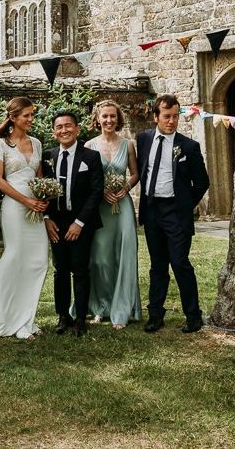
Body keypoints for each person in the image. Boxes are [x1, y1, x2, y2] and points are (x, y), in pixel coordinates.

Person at [136, 94, 209, 334]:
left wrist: (185, 205)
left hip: (176, 213)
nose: (172, 121)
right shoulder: (144, 139)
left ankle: (193, 315)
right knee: (157, 266)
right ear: (156, 116)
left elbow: (201, 183)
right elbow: (144, 170)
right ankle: (155, 314)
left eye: (176, 116)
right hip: (152, 210)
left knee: (179, 263)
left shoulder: (188, 146)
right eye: (167, 117)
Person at [0, 97, 49, 339]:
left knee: (38, 260)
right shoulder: (1, 144)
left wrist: (42, 197)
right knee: (14, 257)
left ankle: (27, 319)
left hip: (36, 208)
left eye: (32, 115)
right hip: (15, 207)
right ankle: (6, 317)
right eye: (27, 115)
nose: (31, 119)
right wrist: (25, 201)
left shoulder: (37, 143)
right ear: (13, 118)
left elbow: (40, 177)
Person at [42, 111, 104, 337]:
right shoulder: (47, 156)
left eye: (68, 126)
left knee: (80, 269)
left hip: (81, 221)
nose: (64, 130)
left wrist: (79, 223)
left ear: (77, 129)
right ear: (54, 131)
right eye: (59, 127)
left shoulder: (91, 157)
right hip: (56, 221)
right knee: (60, 270)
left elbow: (96, 191)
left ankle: (79, 317)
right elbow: (42, 190)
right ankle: (62, 316)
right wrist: (47, 219)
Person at [84, 100, 142, 329]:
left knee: (125, 255)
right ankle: (100, 306)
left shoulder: (128, 144)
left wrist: (124, 189)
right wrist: (102, 192)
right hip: (100, 207)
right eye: (104, 116)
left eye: (113, 116)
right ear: (97, 119)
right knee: (99, 258)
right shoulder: (89, 145)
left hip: (123, 206)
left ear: (118, 119)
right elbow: (87, 179)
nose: (109, 120)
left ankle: (123, 308)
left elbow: (135, 174)